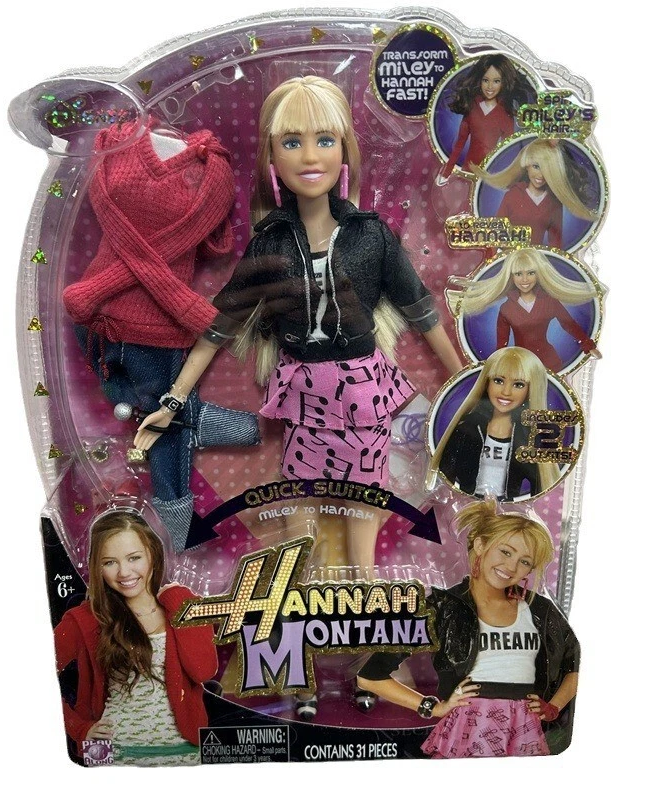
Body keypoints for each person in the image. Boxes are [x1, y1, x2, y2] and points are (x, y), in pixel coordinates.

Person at [133, 76, 463, 578]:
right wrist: (174, 402)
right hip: (304, 394)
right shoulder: (270, 243)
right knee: (298, 517)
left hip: (362, 391)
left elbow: (422, 312)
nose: (310, 157)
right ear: (272, 157)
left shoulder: (371, 236)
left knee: (364, 519)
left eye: (325, 140)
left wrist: (466, 384)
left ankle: (369, 607)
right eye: (292, 142)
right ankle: (296, 601)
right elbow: (220, 327)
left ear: (345, 151)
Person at [62, 119, 260, 553]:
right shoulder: (117, 141)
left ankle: (180, 536)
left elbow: (195, 240)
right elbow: (111, 217)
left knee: (163, 429)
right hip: (93, 321)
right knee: (129, 405)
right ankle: (221, 425)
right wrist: (185, 305)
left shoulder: (212, 169)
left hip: (156, 330)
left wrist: (180, 306)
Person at [357, 500, 579, 758]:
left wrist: (554, 707)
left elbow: (574, 663)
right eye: (505, 552)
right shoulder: (443, 607)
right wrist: (432, 707)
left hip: (524, 729)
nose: (511, 567)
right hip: (467, 727)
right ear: (481, 544)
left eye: (525, 561)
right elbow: (370, 676)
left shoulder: (539, 610)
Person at [54, 510, 217, 765]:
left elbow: (203, 671)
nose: (124, 572)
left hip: (184, 752)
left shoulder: (181, 606)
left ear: (153, 553)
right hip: (113, 753)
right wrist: (79, 728)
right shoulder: (84, 619)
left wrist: (178, 598)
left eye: (134, 558)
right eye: (109, 562)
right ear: (97, 566)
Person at [426, 347, 559, 499]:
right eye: (498, 381)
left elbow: (539, 485)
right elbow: (445, 473)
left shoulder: (529, 437)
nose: (506, 392)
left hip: (508, 506)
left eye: (518, 385)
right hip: (466, 501)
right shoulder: (468, 428)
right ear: (487, 383)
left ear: (531, 389)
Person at [455, 248, 602, 372]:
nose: (525, 279)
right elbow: (502, 343)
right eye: (518, 274)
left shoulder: (548, 301)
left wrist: (588, 345)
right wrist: (497, 365)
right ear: (511, 277)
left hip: (548, 362)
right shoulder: (507, 308)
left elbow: (568, 323)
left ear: (538, 274)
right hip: (521, 365)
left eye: (530, 273)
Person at [475, 138, 598, 249]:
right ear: (527, 166)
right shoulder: (513, 195)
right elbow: (495, 233)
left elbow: (556, 242)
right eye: (536, 166)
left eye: (547, 169)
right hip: (508, 257)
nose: (540, 175)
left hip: (534, 259)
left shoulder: (554, 203)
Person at [439, 54, 533, 178]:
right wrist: (445, 173)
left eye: (496, 81)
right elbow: (459, 144)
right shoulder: (472, 106)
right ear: (480, 80)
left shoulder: (505, 114)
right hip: (468, 171)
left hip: (490, 174)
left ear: (503, 83)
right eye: (485, 80)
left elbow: (507, 152)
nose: (490, 86)